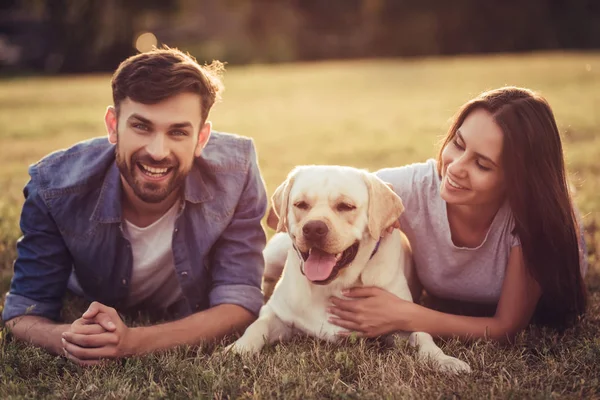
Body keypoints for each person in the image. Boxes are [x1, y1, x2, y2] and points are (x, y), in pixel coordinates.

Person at [2, 47, 268, 365]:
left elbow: (240, 301)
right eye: (141, 126)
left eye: (178, 132)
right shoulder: (54, 187)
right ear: (113, 125)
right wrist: (73, 340)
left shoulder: (236, 173)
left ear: (201, 138)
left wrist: (133, 342)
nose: (158, 151)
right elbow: (23, 312)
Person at [324, 87, 588, 341]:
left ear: (517, 181)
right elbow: (300, 204)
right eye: (458, 144)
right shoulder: (415, 186)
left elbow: (505, 328)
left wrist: (403, 314)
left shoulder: (535, 218)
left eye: (482, 164)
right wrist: (376, 208)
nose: (455, 168)